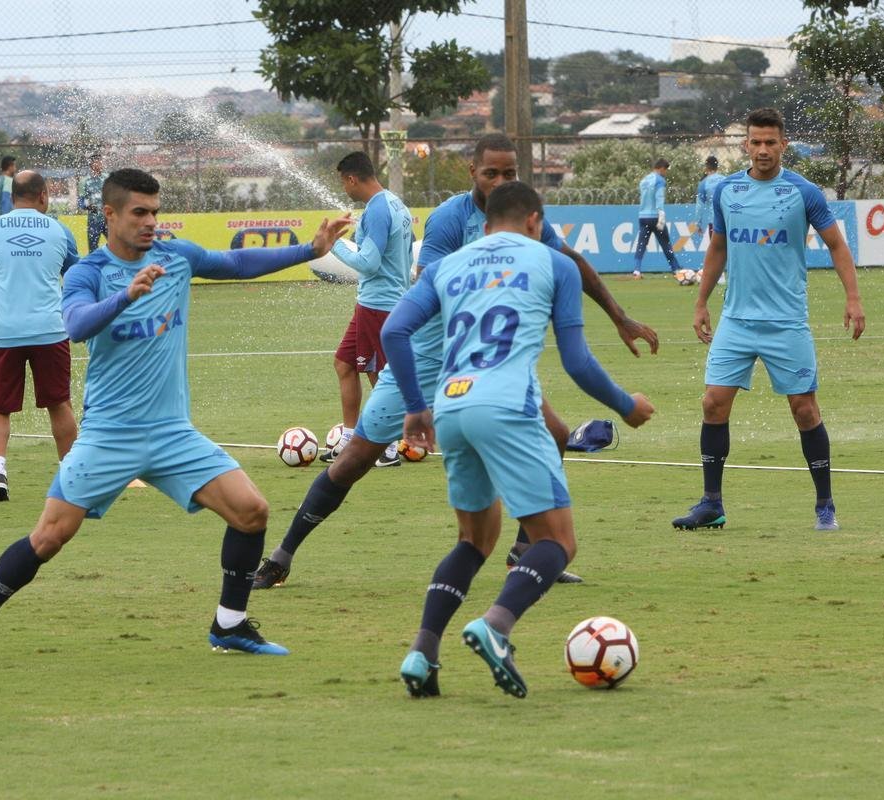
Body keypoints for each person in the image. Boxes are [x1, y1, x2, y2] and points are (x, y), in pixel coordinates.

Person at [0, 168, 351, 666]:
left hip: (173, 433)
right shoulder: (88, 272)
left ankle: (229, 624)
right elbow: (74, 326)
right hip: (109, 436)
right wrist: (125, 296)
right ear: (109, 215)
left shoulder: (176, 257)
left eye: (156, 211)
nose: (151, 221)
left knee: (252, 512)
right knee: (49, 536)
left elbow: (238, 261)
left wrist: (309, 250)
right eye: (139, 212)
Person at [251, 133, 658, 591]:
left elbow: (572, 261)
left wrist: (620, 316)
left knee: (556, 435)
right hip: (428, 357)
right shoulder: (450, 219)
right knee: (354, 460)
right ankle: (282, 557)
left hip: (484, 357)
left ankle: (530, 553)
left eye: (509, 173)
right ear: (473, 172)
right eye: (491, 173)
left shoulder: (525, 219)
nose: (500, 180)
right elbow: (430, 290)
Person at [381, 181, 656, 698]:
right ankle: (497, 625)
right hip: (508, 405)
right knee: (557, 542)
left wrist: (416, 405)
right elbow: (576, 361)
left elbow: (394, 331)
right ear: (536, 221)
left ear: (486, 227)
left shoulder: (448, 264)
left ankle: (422, 651)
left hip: (452, 405)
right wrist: (626, 405)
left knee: (474, 540)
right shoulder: (555, 262)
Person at [671, 107, 865, 533]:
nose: (762, 150)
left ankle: (825, 506)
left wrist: (853, 298)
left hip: (786, 323)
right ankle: (711, 504)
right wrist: (701, 301)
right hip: (735, 321)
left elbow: (836, 244)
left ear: (783, 145)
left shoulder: (804, 191)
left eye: (770, 142)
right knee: (712, 403)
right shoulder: (727, 190)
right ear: (746, 146)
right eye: (755, 142)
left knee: (805, 410)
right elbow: (718, 249)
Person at [0, 170, 80, 502]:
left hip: (2, 331)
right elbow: (75, 273)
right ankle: (71, 477)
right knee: (59, 404)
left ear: (11, 198)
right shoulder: (60, 231)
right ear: (44, 196)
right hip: (50, 330)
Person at [320, 151, 413, 468]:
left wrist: (333, 244)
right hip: (377, 302)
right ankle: (348, 438)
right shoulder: (394, 203)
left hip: (379, 303)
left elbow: (369, 264)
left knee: (379, 376)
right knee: (344, 364)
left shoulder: (377, 210)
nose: (343, 190)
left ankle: (384, 447)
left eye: (343, 183)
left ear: (351, 179)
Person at [631, 157, 682, 278]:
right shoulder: (659, 180)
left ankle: (637, 269)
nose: (666, 173)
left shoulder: (644, 180)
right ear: (662, 168)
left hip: (643, 216)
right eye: (666, 170)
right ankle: (676, 269)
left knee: (641, 244)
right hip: (655, 216)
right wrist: (661, 214)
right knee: (665, 243)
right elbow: (659, 198)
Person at [78, 152, 109, 253]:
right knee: (93, 249)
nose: (100, 164)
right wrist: (90, 207)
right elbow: (81, 203)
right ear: (91, 164)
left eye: (101, 162)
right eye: (97, 162)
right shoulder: (85, 181)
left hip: (108, 219)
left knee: (117, 246)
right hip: (93, 220)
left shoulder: (107, 178)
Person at [693, 155, 725, 248]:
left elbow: (700, 206)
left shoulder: (704, 183)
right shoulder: (725, 180)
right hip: (727, 221)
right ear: (717, 167)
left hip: (714, 222)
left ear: (706, 167)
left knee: (716, 250)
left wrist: (698, 223)